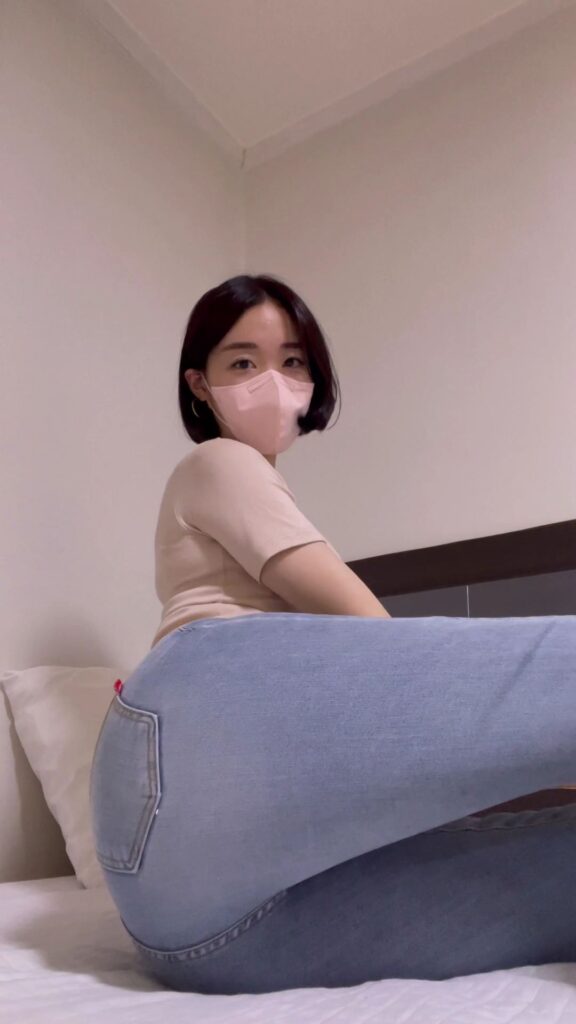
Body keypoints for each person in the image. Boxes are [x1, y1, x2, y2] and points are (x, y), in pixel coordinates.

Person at [89, 273, 576, 995]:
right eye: (243, 362)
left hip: (196, 934)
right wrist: (528, 745)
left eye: (293, 361)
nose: (274, 380)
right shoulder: (220, 461)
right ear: (199, 384)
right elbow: (378, 643)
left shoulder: (243, 495)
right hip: (199, 744)